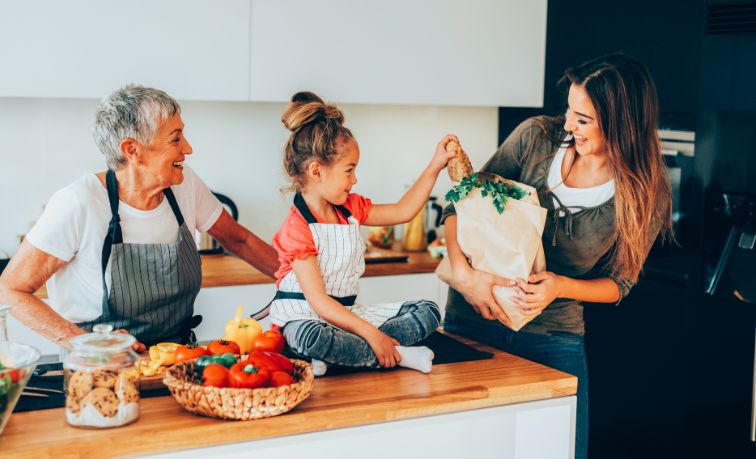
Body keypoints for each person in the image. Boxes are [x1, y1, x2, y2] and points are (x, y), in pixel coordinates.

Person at [441, 54, 672, 459]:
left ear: (621, 124)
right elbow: (461, 202)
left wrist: (561, 286)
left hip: (553, 340)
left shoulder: (644, 191)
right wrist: (463, 275)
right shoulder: (534, 139)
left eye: (582, 120)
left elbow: (620, 283)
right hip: (473, 319)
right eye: (569, 111)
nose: (568, 125)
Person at [0, 85, 279, 356]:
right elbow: (9, 292)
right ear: (132, 150)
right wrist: (91, 346)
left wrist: (303, 286)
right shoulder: (79, 203)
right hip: (101, 365)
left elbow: (238, 240)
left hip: (176, 360)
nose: (188, 148)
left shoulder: (185, 184)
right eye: (175, 138)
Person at [254, 91, 455, 376]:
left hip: (348, 319)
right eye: (349, 170)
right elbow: (320, 303)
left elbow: (402, 211)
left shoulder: (350, 208)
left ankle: (341, 356)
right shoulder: (297, 228)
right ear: (316, 171)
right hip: (307, 318)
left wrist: (436, 164)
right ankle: (396, 355)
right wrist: (373, 335)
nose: (355, 179)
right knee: (308, 337)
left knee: (428, 311)